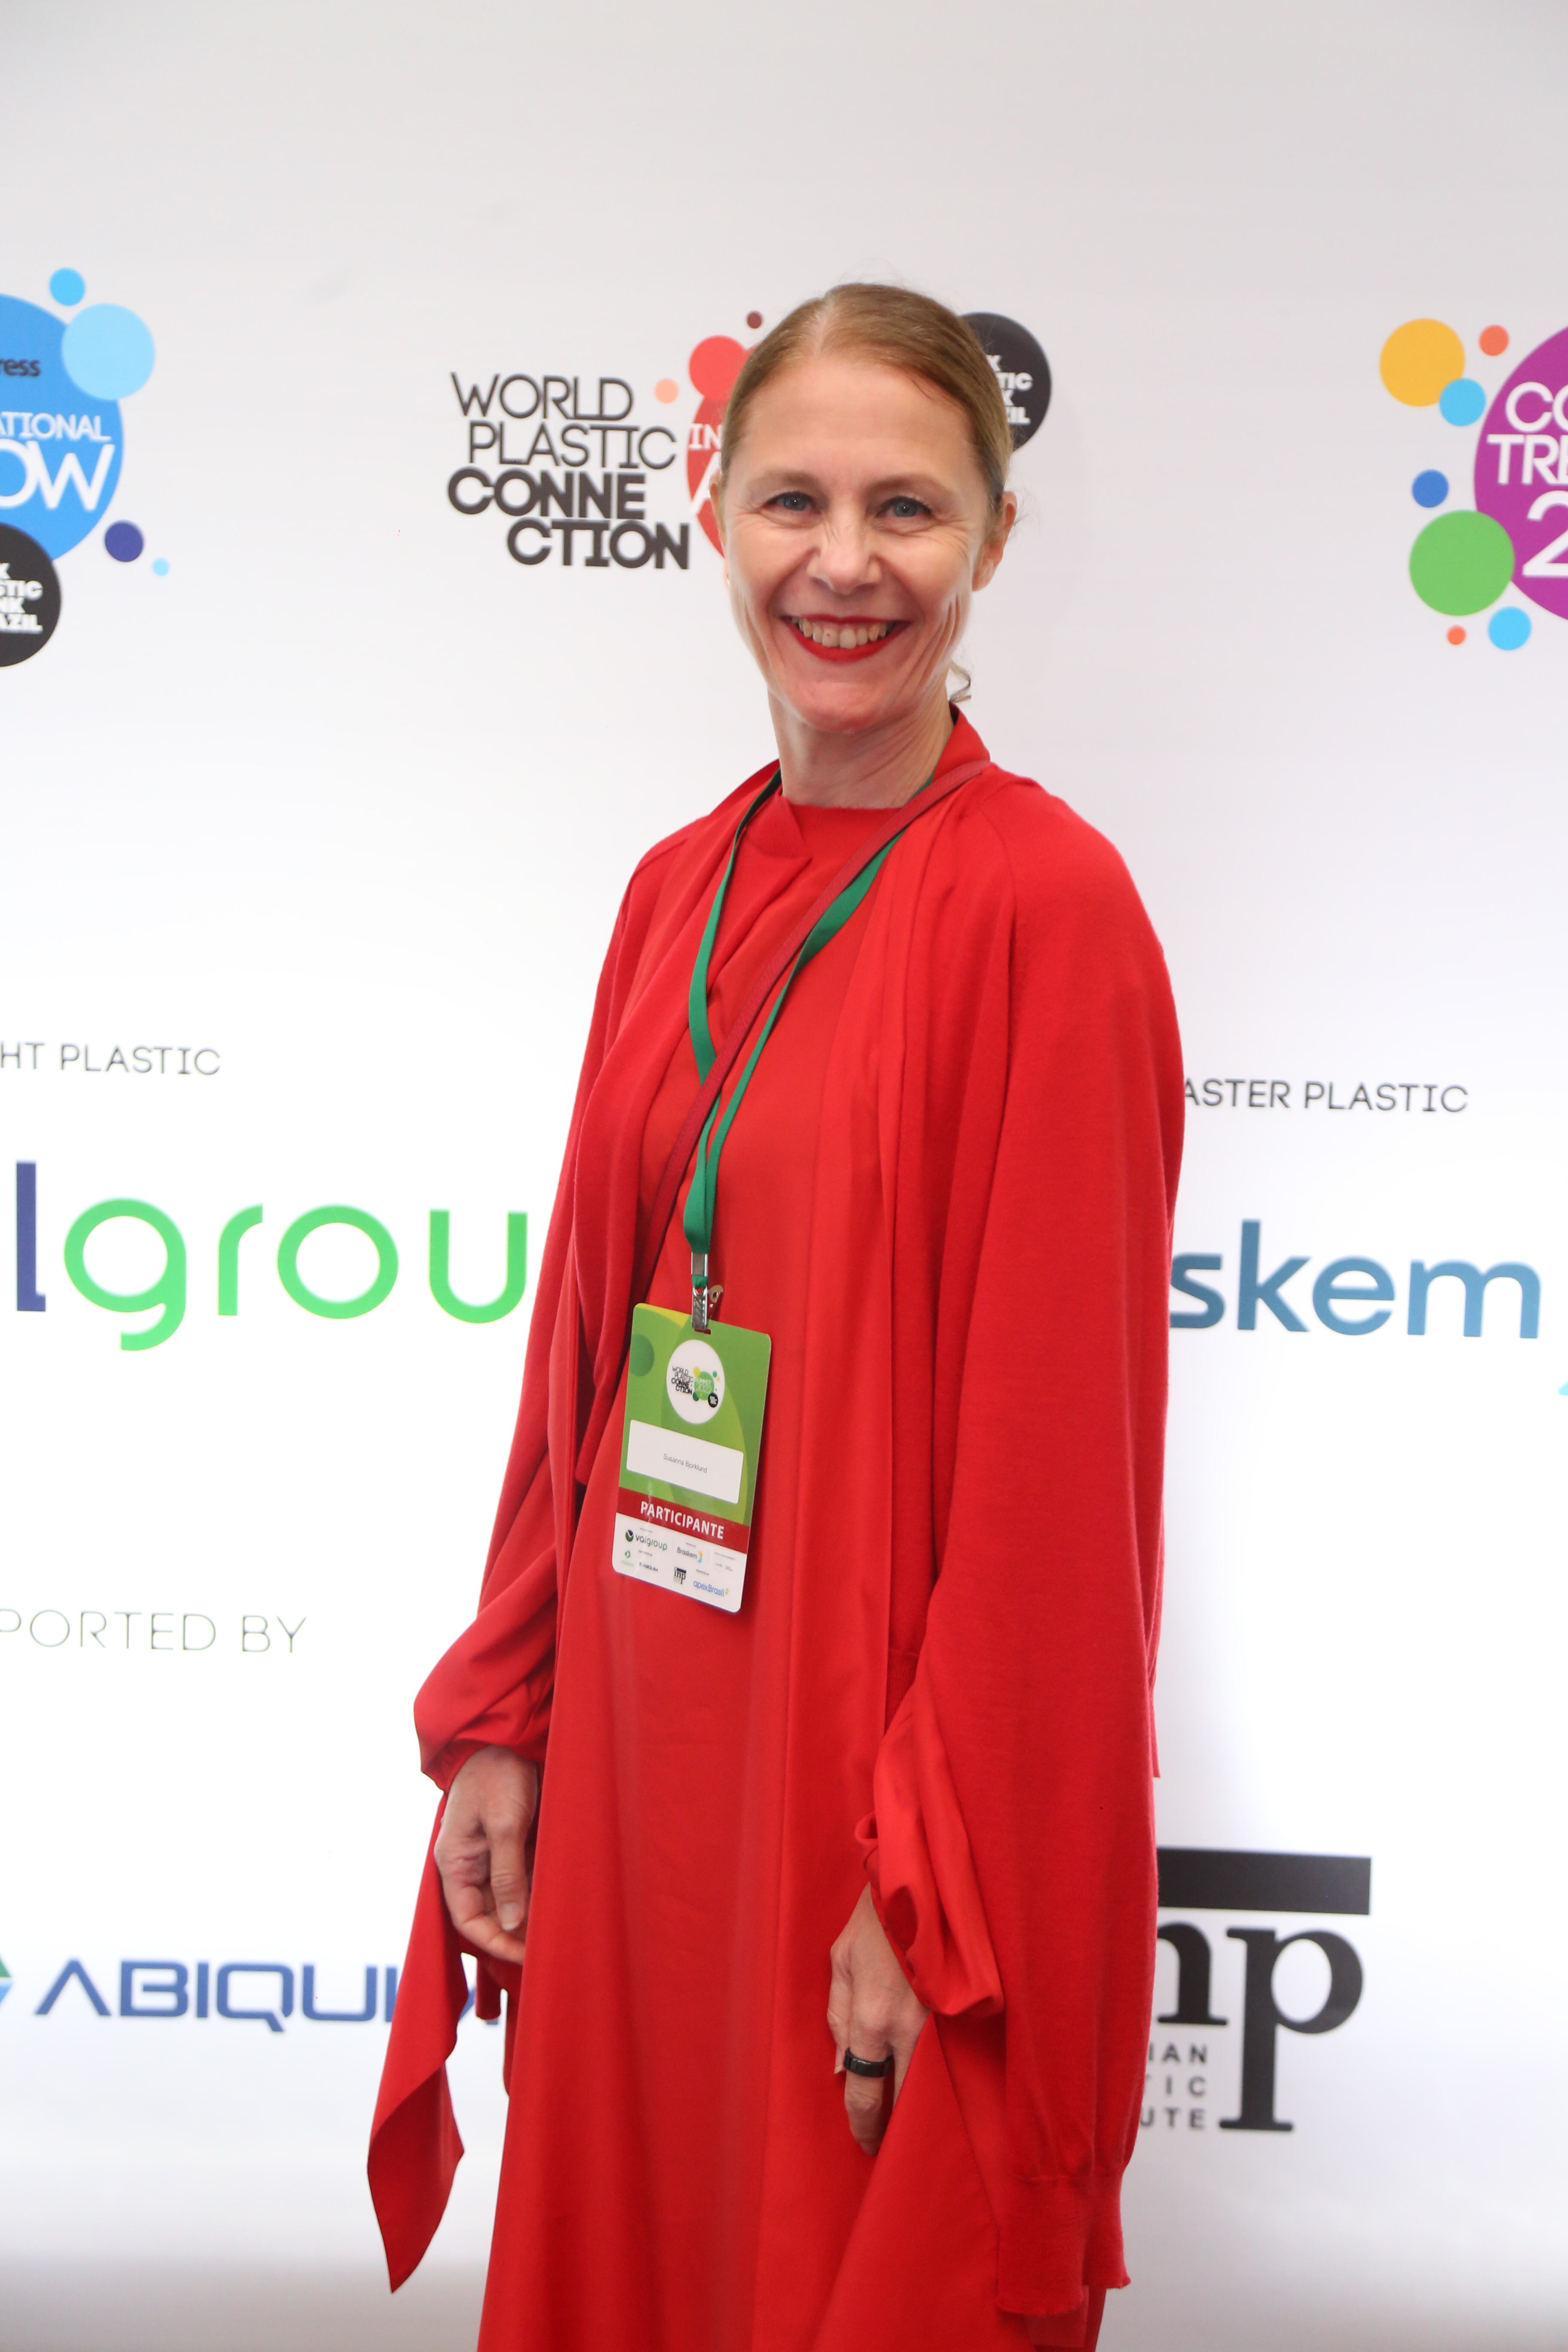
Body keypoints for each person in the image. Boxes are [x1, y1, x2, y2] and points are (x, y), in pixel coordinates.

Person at [370, 282, 1182, 2352]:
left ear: (993, 541)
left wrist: (933, 1883)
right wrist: (512, 1711)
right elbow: (581, 1362)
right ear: (715, 515)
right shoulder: (677, 884)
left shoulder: (1049, 907)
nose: (845, 564)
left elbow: (1055, 1494)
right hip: (646, 1751)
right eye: (794, 502)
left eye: (907, 508)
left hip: (859, 1784)